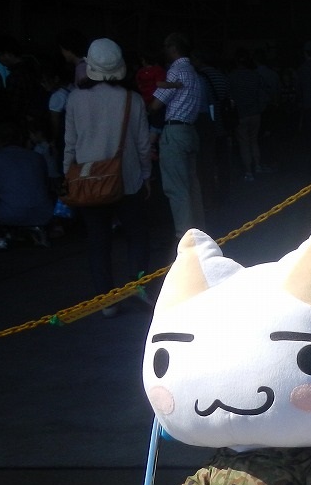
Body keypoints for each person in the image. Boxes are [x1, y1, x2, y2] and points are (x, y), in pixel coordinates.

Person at [66, 38, 152, 315]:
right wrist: (147, 175)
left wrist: (68, 177)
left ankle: (106, 302)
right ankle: (138, 286)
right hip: (128, 179)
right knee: (137, 236)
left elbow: (70, 144)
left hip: (88, 182)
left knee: (98, 242)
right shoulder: (132, 99)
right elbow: (143, 145)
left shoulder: (75, 98)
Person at [149, 32, 206, 237]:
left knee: (177, 187)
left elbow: (156, 104)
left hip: (174, 131)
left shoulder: (176, 71)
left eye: (166, 47)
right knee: (192, 186)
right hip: (190, 130)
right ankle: (199, 232)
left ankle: (185, 236)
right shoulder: (193, 73)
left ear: (173, 48)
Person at [0, 121, 54, 249]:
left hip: (10, 213)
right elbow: (45, 182)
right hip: (44, 212)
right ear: (21, 138)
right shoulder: (37, 157)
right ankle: (36, 229)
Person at [225, 49, 270, 180]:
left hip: (241, 114)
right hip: (255, 113)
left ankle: (249, 171)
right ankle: (257, 165)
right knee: (254, 140)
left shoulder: (231, 77)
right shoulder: (255, 75)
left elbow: (228, 96)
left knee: (244, 143)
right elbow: (263, 93)